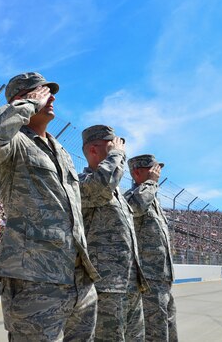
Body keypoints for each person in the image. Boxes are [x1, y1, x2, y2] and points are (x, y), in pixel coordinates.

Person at [0, 72, 99, 341]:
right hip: (35, 278)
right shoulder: (13, 142)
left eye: (50, 92)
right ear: (21, 99)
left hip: (77, 277)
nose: (51, 97)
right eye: (42, 92)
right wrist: (29, 104)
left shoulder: (61, 151)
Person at [79, 125, 147, 341]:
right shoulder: (81, 183)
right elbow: (101, 186)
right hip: (106, 285)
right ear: (93, 151)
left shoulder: (117, 193)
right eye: (112, 146)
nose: (119, 151)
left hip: (129, 281)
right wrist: (117, 155)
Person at [124, 154, 178, 341]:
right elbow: (134, 208)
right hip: (148, 280)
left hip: (162, 278)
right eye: (152, 169)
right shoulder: (132, 197)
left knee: (167, 325)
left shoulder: (153, 200)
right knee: (154, 331)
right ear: (137, 172)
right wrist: (151, 184)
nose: (157, 173)